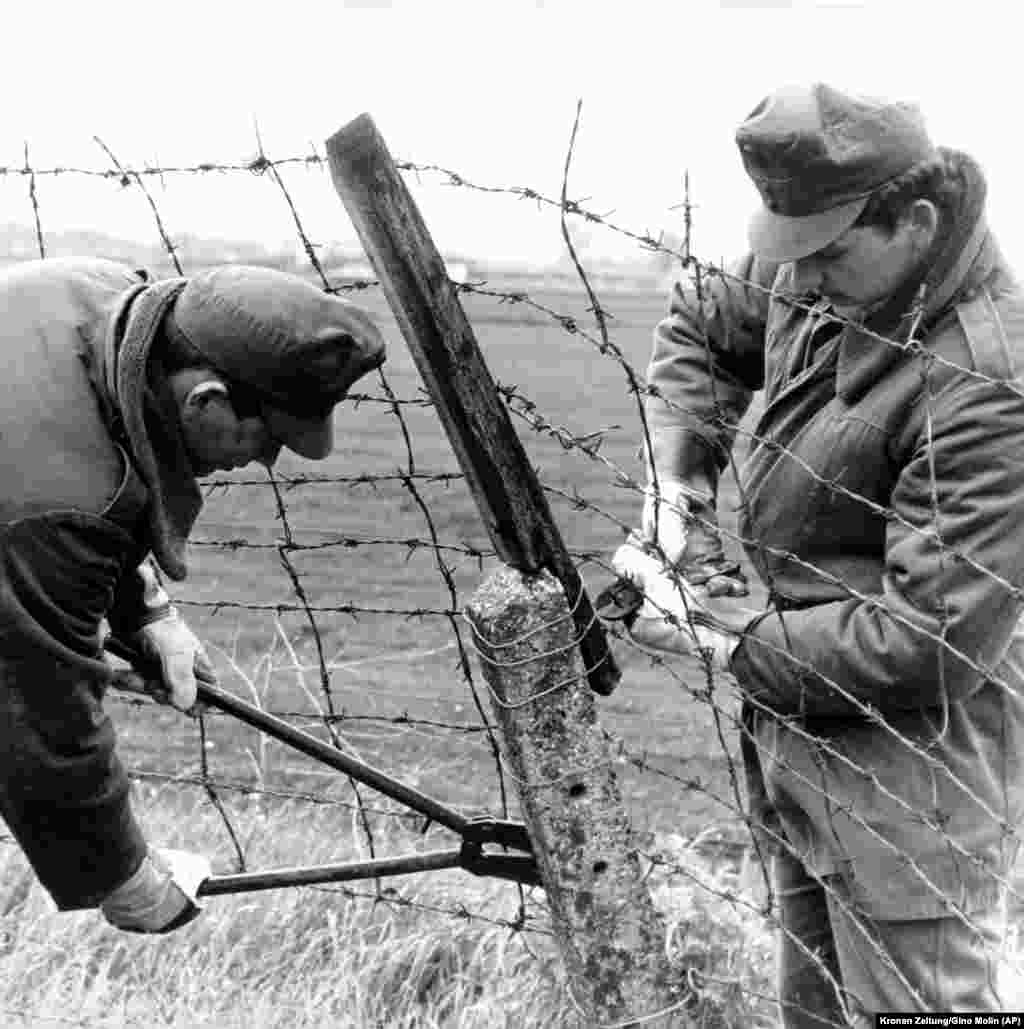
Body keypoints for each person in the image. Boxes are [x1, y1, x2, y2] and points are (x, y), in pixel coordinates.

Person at [611, 83, 1024, 1022]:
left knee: (936, 1012)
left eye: (826, 254)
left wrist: (719, 633)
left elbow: (933, 638)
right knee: (815, 1012)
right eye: (787, 253)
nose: (799, 281)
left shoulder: (988, 384)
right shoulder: (822, 265)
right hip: (799, 734)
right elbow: (698, 323)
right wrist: (677, 484)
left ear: (914, 223)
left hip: (917, 780)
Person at [0, 258, 386, 934]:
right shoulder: (53, 507)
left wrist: (146, 609)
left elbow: (95, 443)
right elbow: (43, 711)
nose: (268, 460)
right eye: (268, 435)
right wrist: (122, 874)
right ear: (206, 400)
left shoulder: (99, 289)